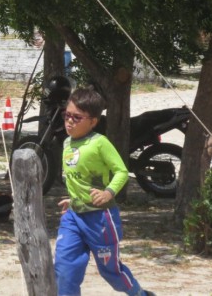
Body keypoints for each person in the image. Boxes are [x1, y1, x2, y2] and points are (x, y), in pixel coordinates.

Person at [54, 86, 155, 296]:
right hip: (73, 217)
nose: (69, 121)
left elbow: (121, 172)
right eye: (67, 115)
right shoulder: (66, 142)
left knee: (111, 271)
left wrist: (108, 193)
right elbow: (77, 179)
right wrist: (73, 199)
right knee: (65, 269)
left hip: (100, 219)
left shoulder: (100, 143)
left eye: (76, 117)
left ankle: (140, 294)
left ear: (93, 121)